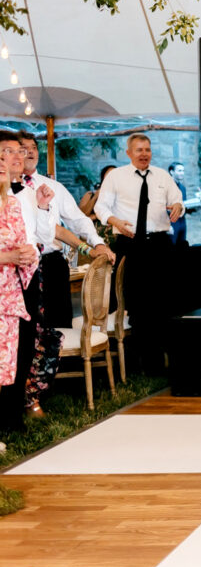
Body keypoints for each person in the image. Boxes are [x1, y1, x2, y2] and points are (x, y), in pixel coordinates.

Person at [20, 132, 114, 416]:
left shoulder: (52, 186)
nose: (30, 153)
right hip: (21, 265)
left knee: (56, 322)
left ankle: (52, 385)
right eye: (22, 149)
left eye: (33, 148)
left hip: (50, 263)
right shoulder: (8, 189)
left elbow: (76, 219)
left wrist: (95, 243)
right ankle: (25, 389)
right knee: (28, 328)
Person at [94, 133, 184, 373]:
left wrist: (177, 206)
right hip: (129, 244)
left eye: (147, 149)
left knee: (162, 302)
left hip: (160, 245)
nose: (144, 154)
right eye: (139, 150)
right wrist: (114, 220)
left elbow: (178, 200)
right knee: (135, 303)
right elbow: (100, 207)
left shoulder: (162, 176)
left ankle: (162, 363)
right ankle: (140, 363)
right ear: (128, 153)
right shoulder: (116, 176)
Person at [0, 132, 55, 431]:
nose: (18, 156)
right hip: (5, 278)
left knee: (21, 349)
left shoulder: (26, 194)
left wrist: (43, 207)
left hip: (27, 276)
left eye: (20, 151)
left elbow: (42, 240)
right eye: (8, 151)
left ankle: (12, 415)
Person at [168, 162, 188, 246]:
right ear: (172, 172)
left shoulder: (182, 188)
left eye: (183, 171)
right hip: (171, 223)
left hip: (182, 222)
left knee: (181, 247)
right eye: (179, 171)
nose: (182, 173)